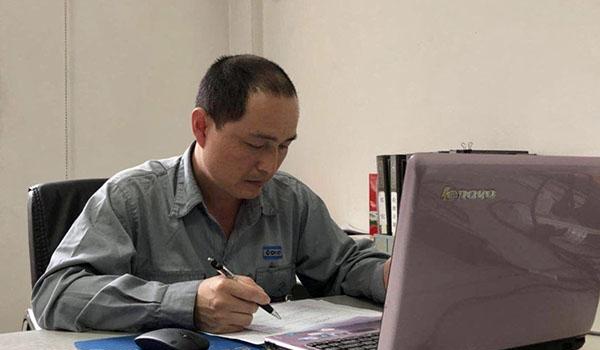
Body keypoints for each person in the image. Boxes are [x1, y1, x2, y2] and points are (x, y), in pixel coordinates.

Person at [32, 54, 391, 333]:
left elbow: (345, 266)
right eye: (256, 145)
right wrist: (184, 303)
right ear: (202, 127)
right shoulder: (131, 197)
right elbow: (56, 294)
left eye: (283, 146)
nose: (269, 165)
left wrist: (392, 275)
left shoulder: (290, 200)